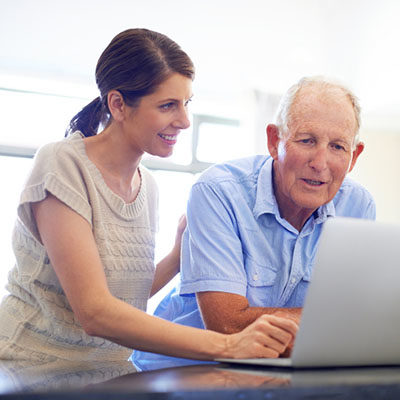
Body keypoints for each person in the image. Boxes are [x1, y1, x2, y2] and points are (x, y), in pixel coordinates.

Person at [0, 29, 298, 371]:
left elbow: (123, 298)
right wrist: (229, 344)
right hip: (27, 370)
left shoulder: (148, 186)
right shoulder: (62, 165)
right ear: (118, 104)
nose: (184, 120)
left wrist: (175, 257)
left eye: (187, 103)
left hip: (106, 374)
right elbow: (95, 312)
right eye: (168, 105)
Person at [131, 76, 376, 371]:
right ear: (275, 141)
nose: (320, 162)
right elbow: (228, 326)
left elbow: (355, 327)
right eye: (307, 140)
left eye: (337, 146)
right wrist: (335, 321)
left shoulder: (358, 206)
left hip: (279, 372)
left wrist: (348, 323)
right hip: (184, 370)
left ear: (354, 157)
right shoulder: (217, 191)